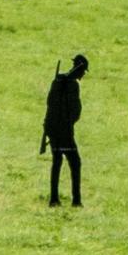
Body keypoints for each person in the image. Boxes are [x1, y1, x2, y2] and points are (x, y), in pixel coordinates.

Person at [44, 54, 89, 207]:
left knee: (57, 161)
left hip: (52, 127)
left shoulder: (58, 80)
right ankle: (76, 200)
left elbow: (49, 103)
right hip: (64, 130)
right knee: (75, 162)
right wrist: (69, 123)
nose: (83, 74)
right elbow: (75, 110)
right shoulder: (73, 85)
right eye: (83, 71)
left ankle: (54, 199)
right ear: (80, 69)